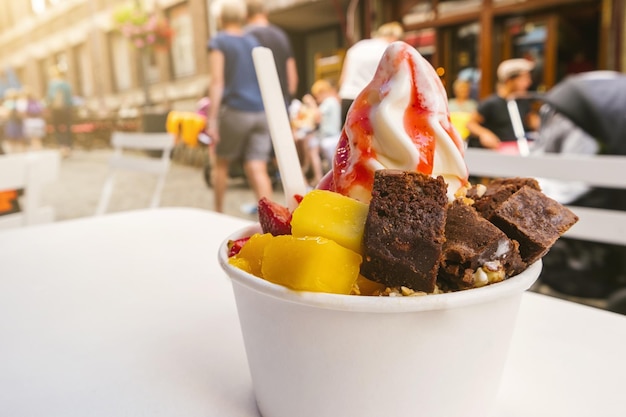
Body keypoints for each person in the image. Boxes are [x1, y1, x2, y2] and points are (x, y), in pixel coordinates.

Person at [206, 0, 273, 214]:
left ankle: (218, 212)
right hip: (261, 112)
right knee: (257, 166)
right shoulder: (253, 41)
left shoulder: (219, 41)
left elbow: (217, 81)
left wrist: (212, 119)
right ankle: (271, 218)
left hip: (235, 111)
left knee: (221, 164)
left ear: (221, 19)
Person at [466, 58, 539, 153]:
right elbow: (471, 124)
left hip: (518, 151)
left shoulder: (522, 102)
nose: (529, 82)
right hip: (497, 154)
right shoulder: (491, 103)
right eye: (524, 79)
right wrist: (484, 134)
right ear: (509, 80)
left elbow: (532, 122)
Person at [338, 21, 404, 124]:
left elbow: (342, 79)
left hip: (347, 98)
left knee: (347, 138)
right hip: (369, 101)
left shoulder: (356, 48)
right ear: (394, 36)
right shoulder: (388, 50)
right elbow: (394, 81)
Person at [245, 0, 298, 107]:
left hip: (253, 106)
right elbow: (293, 79)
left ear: (246, 15)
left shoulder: (244, 36)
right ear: (265, 12)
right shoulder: (281, 35)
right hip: (280, 103)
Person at [307, 79, 341, 185]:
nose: (317, 99)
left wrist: (311, 103)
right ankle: (320, 178)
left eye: (317, 96)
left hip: (330, 138)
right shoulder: (333, 101)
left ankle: (320, 178)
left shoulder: (329, 101)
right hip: (330, 137)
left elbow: (317, 115)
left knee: (334, 166)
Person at [46, 66, 74, 157]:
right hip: (67, 109)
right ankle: (69, 147)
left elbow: (51, 97)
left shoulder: (53, 84)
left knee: (58, 128)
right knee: (67, 128)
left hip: (57, 110)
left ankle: (62, 148)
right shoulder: (67, 84)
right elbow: (71, 99)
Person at [448, 78, 478, 142]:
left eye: (465, 88)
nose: (463, 90)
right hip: (451, 138)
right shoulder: (449, 104)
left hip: (468, 139)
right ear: (455, 90)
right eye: (461, 88)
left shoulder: (473, 105)